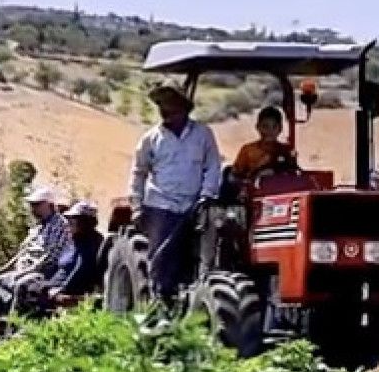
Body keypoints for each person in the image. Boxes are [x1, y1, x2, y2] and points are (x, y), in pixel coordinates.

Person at [127, 84, 222, 303]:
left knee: (202, 254)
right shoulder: (151, 138)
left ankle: (194, 298)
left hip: (195, 204)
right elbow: (138, 172)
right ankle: (157, 302)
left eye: (170, 104)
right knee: (161, 258)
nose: (165, 110)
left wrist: (207, 194)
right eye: (161, 105)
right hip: (161, 204)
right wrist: (136, 205)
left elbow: (213, 166)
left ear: (184, 107)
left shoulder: (202, 134)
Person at [0, 184, 73, 336]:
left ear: (49, 205)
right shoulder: (37, 227)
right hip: (25, 269)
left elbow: (51, 256)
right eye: (32, 205)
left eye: (37, 205)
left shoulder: (60, 225)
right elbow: (23, 251)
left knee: (20, 285)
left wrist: (26, 271)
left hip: (45, 272)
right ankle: (0, 329)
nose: (33, 209)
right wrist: (3, 269)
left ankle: (14, 331)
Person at [44, 200, 106, 305]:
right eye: (68, 219)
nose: (68, 223)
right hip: (55, 284)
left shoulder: (91, 243)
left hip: (71, 290)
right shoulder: (75, 240)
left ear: (84, 222)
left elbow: (80, 270)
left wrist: (61, 289)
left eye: (72, 220)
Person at [231, 105, 299, 181]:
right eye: (265, 126)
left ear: (280, 128)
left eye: (274, 127)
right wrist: (256, 172)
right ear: (258, 127)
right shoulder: (248, 150)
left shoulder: (286, 150)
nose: (270, 131)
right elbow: (235, 175)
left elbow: (293, 175)